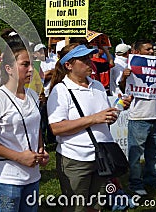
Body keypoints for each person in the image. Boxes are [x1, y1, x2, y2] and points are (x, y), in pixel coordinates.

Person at [47, 43, 123, 212]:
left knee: (97, 206)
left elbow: (102, 119)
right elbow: (57, 128)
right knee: (76, 208)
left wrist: (110, 116)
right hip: (75, 159)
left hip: (102, 156)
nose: (90, 62)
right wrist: (94, 119)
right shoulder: (61, 90)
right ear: (68, 65)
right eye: (84, 59)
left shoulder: (96, 86)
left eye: (89, 58)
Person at [0, 40, 49, 212]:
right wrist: (18, 157)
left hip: (32, 176)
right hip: (7, 178)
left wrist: (41, 149)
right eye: (25, 64)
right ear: (9, 68)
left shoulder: (32, 95)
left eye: (32, 64)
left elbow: (35, 126)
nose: (31, 69)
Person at [121, 40, 156, 196]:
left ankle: (153, 179)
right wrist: (123, 77)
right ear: (137, 51)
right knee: (136, 154)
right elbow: (123, 90)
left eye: (152, 49)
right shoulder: (130, 68)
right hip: (138, 117)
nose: (150, 51)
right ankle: (136, 183)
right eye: (147, 49)